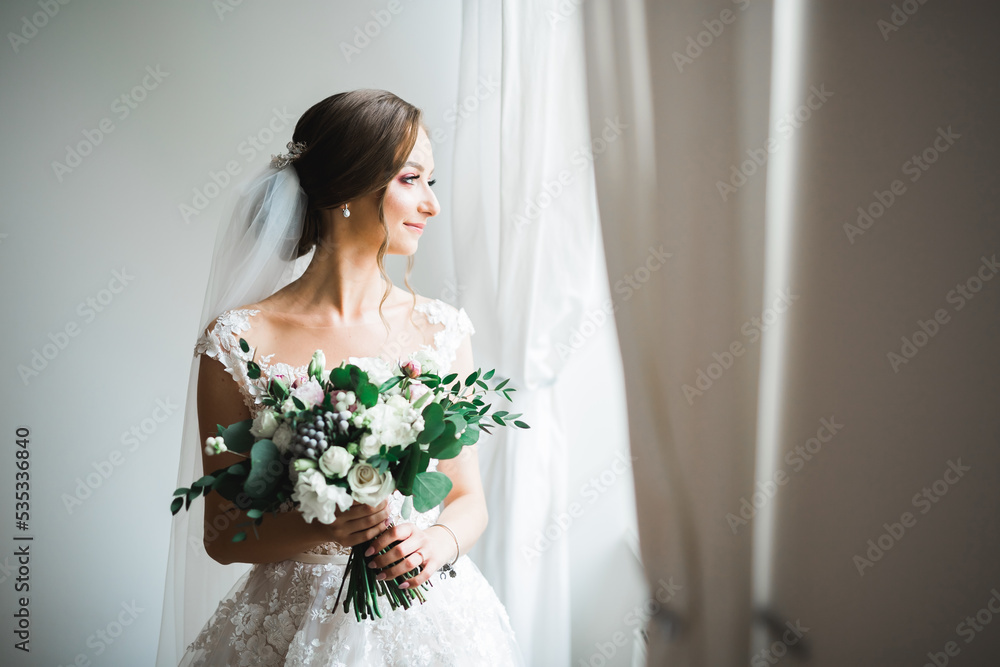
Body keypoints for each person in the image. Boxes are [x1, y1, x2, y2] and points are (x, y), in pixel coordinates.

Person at [156, 89, 525, 666]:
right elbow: (222, 534)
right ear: (349, 188)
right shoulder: (237, 342)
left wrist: (435, 543)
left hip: (429, 619)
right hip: (290, 626)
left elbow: (466, 497)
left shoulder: (442, 331)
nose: (431, 204)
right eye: (412, 179)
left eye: (431, 182)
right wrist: (331, 524)